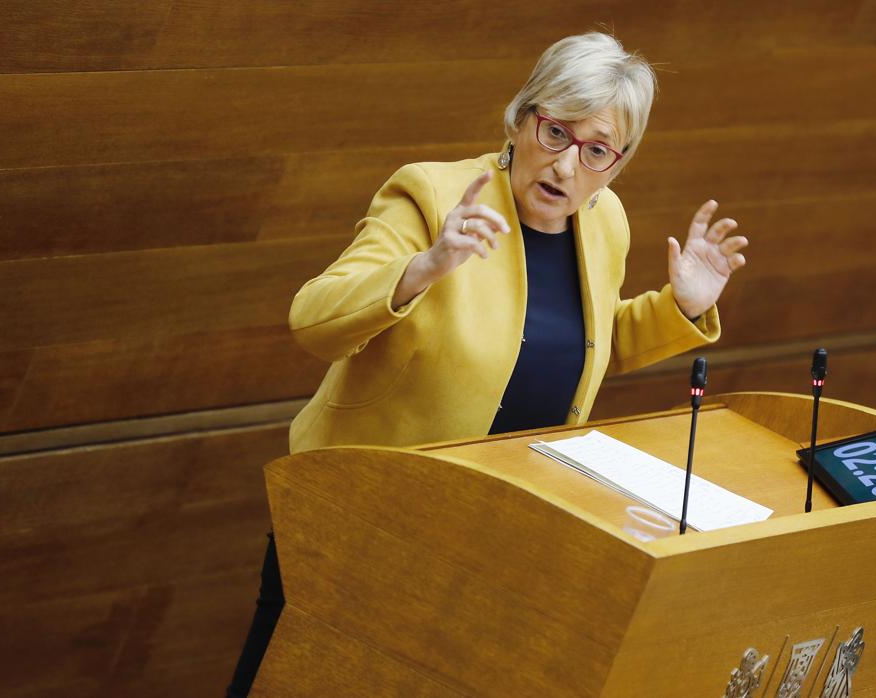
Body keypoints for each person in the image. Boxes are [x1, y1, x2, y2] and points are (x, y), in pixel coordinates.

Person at [226, 32, 749, 696]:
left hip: (489, 527)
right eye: (555, 133)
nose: (566, 167)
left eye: (595, 150)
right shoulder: (435, 196)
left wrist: (680, 306)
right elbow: (313, 318)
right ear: (519, 118)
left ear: (619, 162)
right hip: (361, 506)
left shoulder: (603, 220)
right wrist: (422, 268)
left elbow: (574, 346)